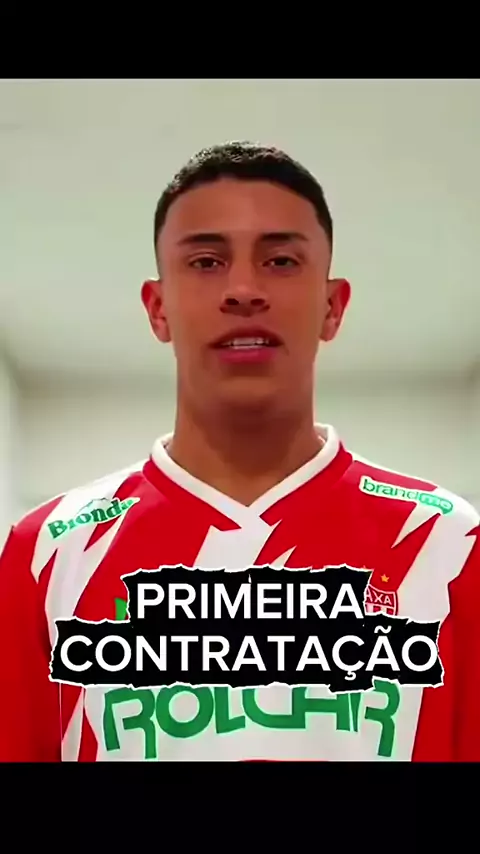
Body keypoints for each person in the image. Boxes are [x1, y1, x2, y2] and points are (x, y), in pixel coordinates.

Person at [0, 141, 478, 762]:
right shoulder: (47, 553)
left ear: (332, 306)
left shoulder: (448, 544)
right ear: (158, 308)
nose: (245, 289)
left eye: (280, 261)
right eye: (206, 262)